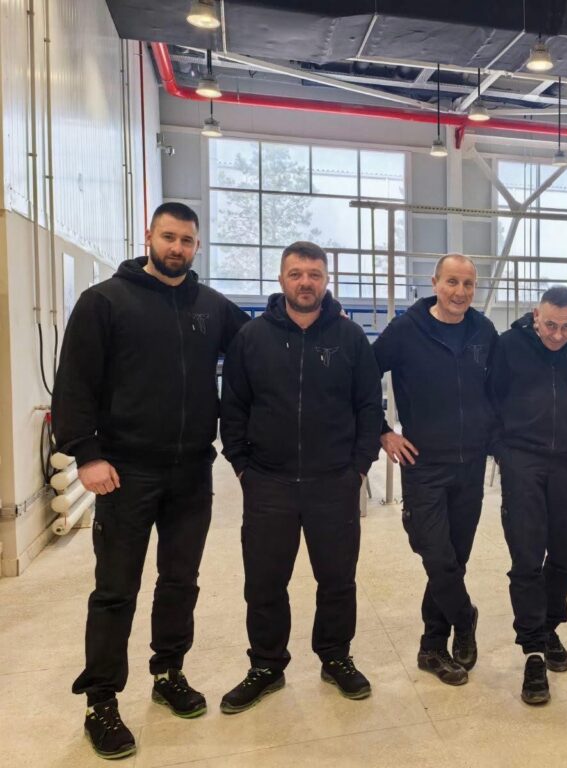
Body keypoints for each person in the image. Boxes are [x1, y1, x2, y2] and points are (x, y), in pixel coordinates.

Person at [52, 202, 250, 760]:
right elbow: (74, 383)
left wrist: (320, 315)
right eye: (168, 237)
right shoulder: (105, 302)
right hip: (125, 471)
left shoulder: (211, 307)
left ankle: (168, 673)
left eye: (187, 240)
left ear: (197, 246)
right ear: (149, 237)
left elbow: (260, 345)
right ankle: (101, 700)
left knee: (180, 581)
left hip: (191, 469)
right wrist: (86, 454)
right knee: (116, 589)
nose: (177, 248)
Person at [218, 241, 383, 713]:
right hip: (268, 482)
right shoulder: (252, 338)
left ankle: (336, 657)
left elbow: (369, 405)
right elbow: (234, 406)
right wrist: (243, 467)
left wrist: (358, 467)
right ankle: (266, 665)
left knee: (337, 579)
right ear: (281, 279)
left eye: (314, 274)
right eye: (296, 274)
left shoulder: (350, 338)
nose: (305, 282)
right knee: (265, 582)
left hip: (334, 482)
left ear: (327, 280)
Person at [373, 254, 497, 686]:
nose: (460, 292)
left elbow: (500, 386)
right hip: (423, 463)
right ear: (435, 282)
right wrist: (382, 431)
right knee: (437, 555)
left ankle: (432, 646)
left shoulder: (483, 331)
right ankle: (465, 617)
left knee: (455, 558)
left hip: (471, 464)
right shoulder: (406, 330)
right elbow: (362, 374)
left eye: (468, 284)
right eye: (452, 282)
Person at [489, 285, 567, 705]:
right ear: (536, 315)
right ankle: (533, 649)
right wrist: (502, 450)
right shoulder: (509, 346)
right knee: (527, 557)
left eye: (566, 327)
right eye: (550, 325)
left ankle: (550, 625)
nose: (557, 335)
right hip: (523, 461)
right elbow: (490, 397)